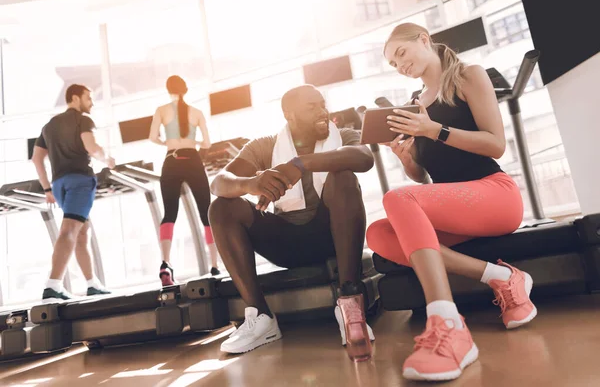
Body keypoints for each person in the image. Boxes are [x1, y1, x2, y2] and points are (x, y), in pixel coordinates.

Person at [366, 23, 536, 381]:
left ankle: (447, 324)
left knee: (397, 199)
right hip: (456, 210)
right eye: (393, 65)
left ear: (424, 40)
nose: (400, 65)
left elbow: (495, 144)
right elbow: (422, 181)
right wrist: (406, 158)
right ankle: (502, 278)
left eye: (402, 54)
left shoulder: (467, 75)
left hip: (494, 193)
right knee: (379, 234)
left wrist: (434, 131)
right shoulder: (415, 104)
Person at [209, 85, 376, 361]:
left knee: (343, 176)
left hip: (334, 238)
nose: (323, 111)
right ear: (290, 114)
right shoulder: (265, 146)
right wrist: (252, 183)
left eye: (323, 104)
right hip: (287, 242)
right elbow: (219, 182)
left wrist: (300, 163)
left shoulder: (342, 134)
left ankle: (350, 302)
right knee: (221, 207)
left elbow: (364, 157)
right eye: (312, 107)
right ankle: (261, 317)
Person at [32, 84, 113, 300]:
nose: (92, 103)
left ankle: (92, 283)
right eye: (88, 98)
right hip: (80, 181)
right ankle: (53, 284)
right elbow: (92, 147)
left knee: (82, 232)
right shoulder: (83, 120)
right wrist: (107, 159)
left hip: (59, 185)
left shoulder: (49, 126)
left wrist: (47, 188)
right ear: (75, 98)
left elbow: (37, 158)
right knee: (69, 230)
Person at [149, 75, 220, 286]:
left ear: (167, 89)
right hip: (193, 159)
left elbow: (153, 137)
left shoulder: (161, 110)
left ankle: (165, 263)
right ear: (186, 90)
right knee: (206, 212)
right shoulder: (196, 112)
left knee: (169, 213)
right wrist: (193, 141)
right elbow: (207, 143)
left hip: (171, 159)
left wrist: (169, 144)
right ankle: (215, 265)